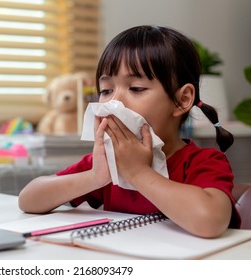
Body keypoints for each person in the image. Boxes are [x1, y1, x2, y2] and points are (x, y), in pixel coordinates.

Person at [19, 25, 240, 238]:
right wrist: (95, 177)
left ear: (181, 100)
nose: (115, 101)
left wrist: (138, 173)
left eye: (136, 89)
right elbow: (28, 200)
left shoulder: (204, 161)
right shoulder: (106, 163)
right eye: (106, 90)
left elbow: (210, 220)